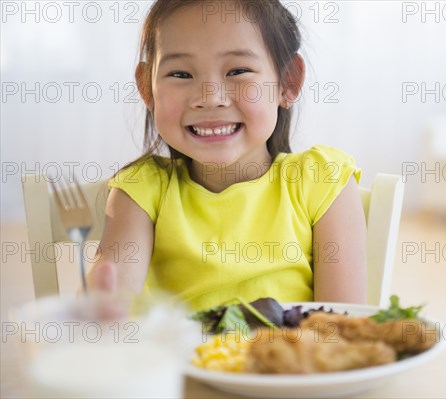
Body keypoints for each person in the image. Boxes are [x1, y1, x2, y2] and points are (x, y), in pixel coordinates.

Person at [87, 0, 367, 310]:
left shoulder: (322, 180)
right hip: (179, 359)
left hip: (293, 358)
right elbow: (112, 295)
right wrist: (101, 308)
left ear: (288, 81)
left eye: (238, 71)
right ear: (147, 88)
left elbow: (342, 324)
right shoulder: (141, 188)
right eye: (180, 74)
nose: (210, 98)